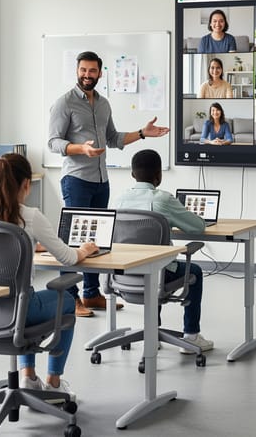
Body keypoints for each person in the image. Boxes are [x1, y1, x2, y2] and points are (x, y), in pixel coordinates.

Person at [47, 50, 169, 317]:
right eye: (83, 70)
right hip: (76, 179)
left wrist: (142, 134)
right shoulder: (64, 103)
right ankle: (70, 299)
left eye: (92, 71)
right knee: (73, 240)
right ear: (77, 71)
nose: (87, 75)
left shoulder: (104, 104)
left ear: (100, 73)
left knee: (97, 240)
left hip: (101, 180)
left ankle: (91, 294)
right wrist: (81, 148)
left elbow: (113, 138)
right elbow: (53, 142)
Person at [0, 153, 97, 400]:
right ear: (25, 184)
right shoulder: (30, 216)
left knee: (21, 302)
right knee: (67, 304)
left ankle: (28, 377)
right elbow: (68, 258)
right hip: (20, 309)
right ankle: (53, 382)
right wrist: (83, 249)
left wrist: (30, 245)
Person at [115, 149, 214, 354]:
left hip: (123, 275)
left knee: (153, 263)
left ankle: (153, 332)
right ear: (159, 175)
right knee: (193, 270)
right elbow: (197, 227)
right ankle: (191, 335)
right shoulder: (163, 199)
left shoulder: (120, 200)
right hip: (156, 275)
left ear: (132, 174)